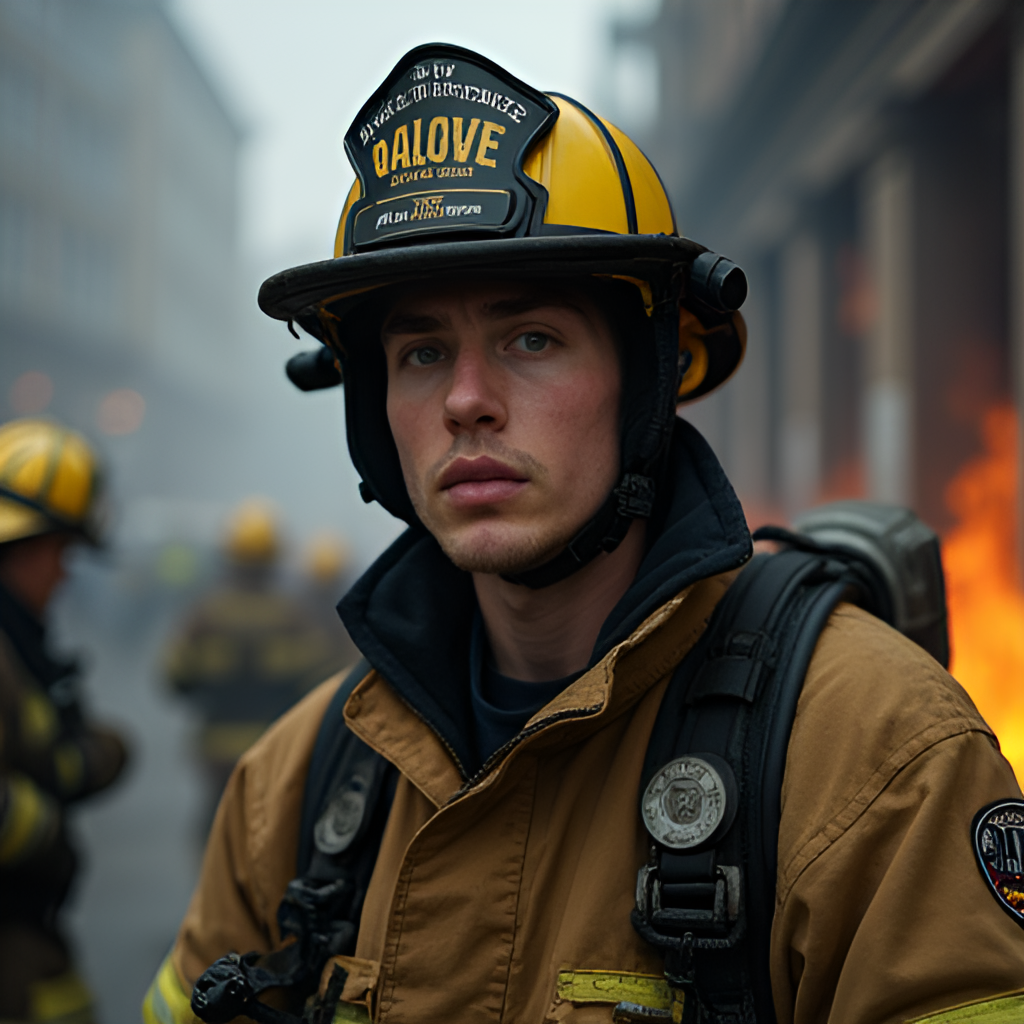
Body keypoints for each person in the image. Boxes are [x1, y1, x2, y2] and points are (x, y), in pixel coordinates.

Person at [143, 45, 1024, 1024]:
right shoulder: (295, 787)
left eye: (532, 339)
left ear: (645, 380)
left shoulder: (876, 756)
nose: (466, 402)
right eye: (422, 351)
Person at [0, 417, 128, 1024]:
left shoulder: (19, 645)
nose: (66, 572)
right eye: (62, 551)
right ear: (25, 544)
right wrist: (46, 822)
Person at [164, 499, 338, 830]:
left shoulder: (205, 616)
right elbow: (321, 677)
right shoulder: (292, 616)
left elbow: (175, 677)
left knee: (218, 826)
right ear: (273, 560)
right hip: (274, 744)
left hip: (215, 748)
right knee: (269, 829)